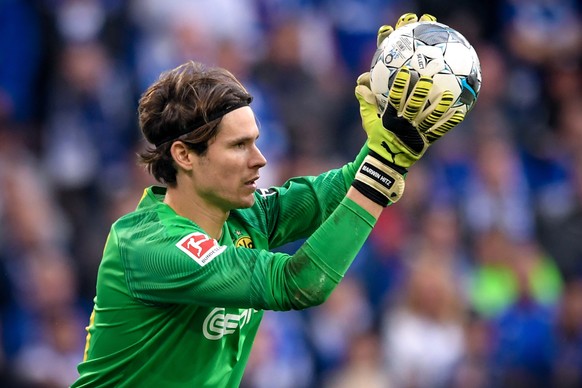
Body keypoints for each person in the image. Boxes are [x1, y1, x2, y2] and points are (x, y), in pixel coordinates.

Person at [73, 13, 470, 387]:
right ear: (184, 155)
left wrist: (391, 142)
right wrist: (381, 170)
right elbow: (299, 284)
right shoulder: (149, 246)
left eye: (257, 142)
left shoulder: (245, 217)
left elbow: (335, 192)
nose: (260, 159)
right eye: (239, 146)